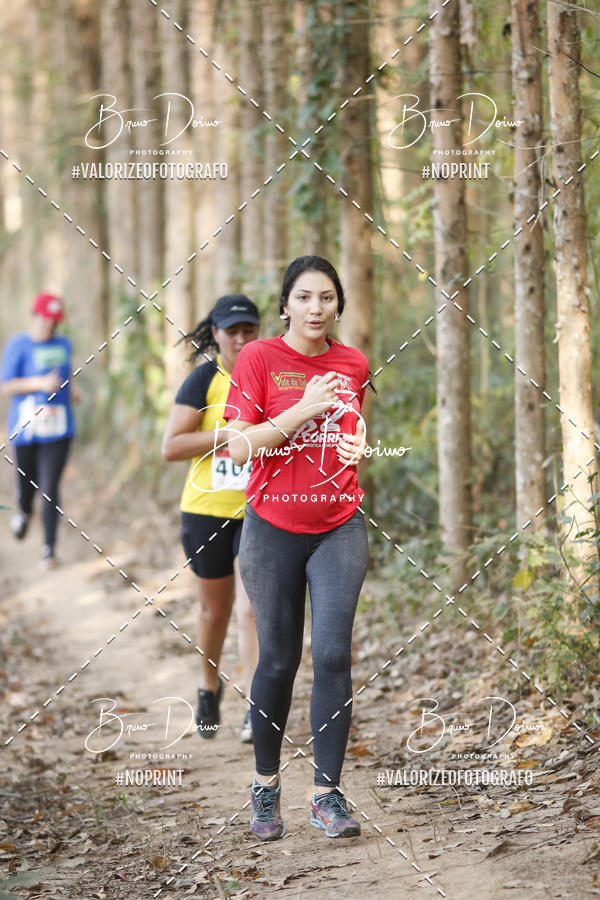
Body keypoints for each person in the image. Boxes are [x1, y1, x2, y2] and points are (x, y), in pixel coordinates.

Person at [225, 256, 371, 841]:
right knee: (279, 661)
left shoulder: (352, 362)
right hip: (271, 530)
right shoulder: (258, 358)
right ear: (284, 304)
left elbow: (352, 431)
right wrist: (305, 406)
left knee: (333, 655)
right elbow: (239, 447)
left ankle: (327, 796)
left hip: (339, 524)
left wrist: (358, 447)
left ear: (338, 305)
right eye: (304, 298)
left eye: (327, 298)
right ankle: (265, 788)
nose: (316, 309)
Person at [162, 295, 261, 744]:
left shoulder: (270, 374)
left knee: (251, 610)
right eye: (232, 331)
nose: (240, 339)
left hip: (258, 511)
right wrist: (226, 433)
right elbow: (171, 447)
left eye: (248, 330)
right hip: (205, 512)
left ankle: (256, 708)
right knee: (214, 611)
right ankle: (208, 683)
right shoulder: (204, 379)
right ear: (216, 333)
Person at [1, 293, 76, 569]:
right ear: (35, 316)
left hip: (59, 429)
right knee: (27, 487)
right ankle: (23, 510)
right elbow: (6, 385)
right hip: (26, 430)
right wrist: (38, 384)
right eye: (47, 321)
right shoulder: (18, 345)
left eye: (55, 322)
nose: (50, 327)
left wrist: (72, 391)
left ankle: (49, 550)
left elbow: (64, 378)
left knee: (50, 487)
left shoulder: (64, 345)